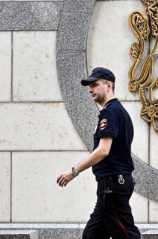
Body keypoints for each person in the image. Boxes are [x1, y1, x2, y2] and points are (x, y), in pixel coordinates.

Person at [56, 67, 141, 239]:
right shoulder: (118, 111)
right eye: (89, 86)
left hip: (113, 184)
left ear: (109, 85)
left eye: (94, 84)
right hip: (111, 184)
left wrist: (73, 171)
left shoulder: (110, 112)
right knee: (91, 236)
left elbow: (103, 150)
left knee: (126, 234)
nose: (90, 89)